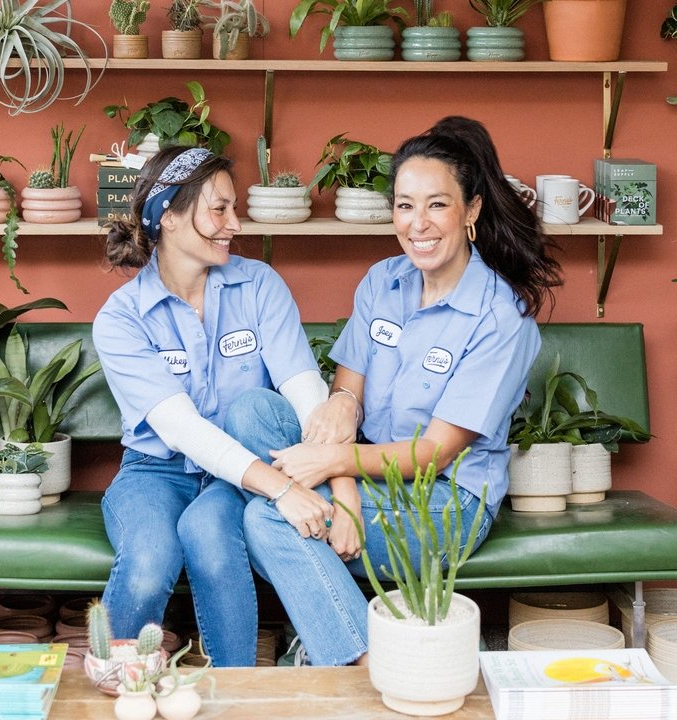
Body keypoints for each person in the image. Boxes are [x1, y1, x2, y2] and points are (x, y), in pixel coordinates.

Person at [235, 116, 563, 666]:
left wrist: (332, 465)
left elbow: (435, 453)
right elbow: (344, 402)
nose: (419, 224)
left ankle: (362, 660)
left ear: (472, 210)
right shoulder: (383, 282)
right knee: (253, 411)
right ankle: (351, 634)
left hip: (442, 498)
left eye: (437, 204)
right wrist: (345, 492)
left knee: (265, 517)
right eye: (405, 205)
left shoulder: (500, 318)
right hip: (362, 472)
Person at [92, 145, 336, 667]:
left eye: (234, 208)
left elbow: (304, 389)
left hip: (235, 476)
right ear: (170, 217)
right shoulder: (121, 318)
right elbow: (179, 429)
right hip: (155, 473)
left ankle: (235, 691)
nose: (234, 224)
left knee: (211, 537)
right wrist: (284, 489)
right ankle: (114, 682)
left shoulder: (259, 285)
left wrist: (333, 479)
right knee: (149, 558)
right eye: (218, 209)